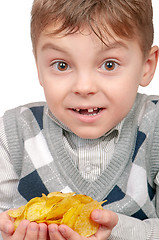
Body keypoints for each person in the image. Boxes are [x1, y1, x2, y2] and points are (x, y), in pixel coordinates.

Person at [0, 0, 159, 239]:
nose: (84, 87)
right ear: (38, 68)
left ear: (146, 67)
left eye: (109, 64)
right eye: (62, 65)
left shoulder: (154, 126)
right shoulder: (13, 133)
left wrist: (116, 232)